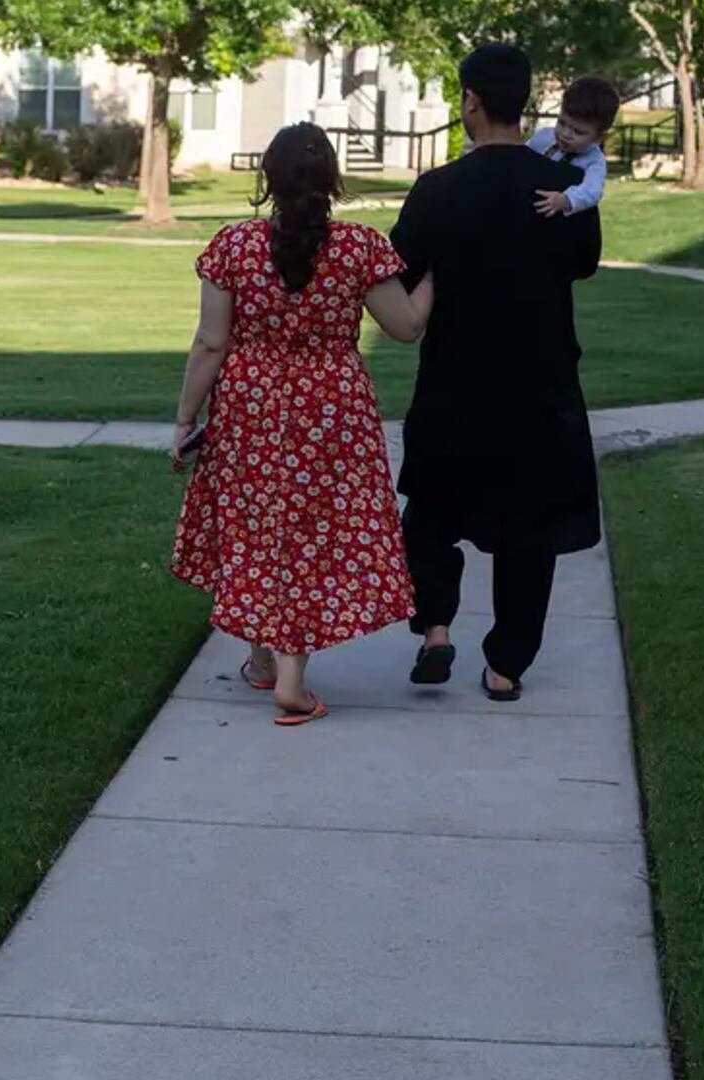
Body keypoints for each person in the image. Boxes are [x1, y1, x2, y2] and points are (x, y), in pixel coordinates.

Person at [169, 123, 436, 726]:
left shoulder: (232, 247)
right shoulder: (358, 247)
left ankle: (281, 672)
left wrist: (187, 417)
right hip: (332, 408)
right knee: (312, 531)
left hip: (251, 406)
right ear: (332, 180)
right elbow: (406, 326)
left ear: (267, 179)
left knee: (263, 525)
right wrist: (433, 279)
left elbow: (212, 343)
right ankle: (274, 669)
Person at [389, 43, 603, 702]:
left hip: (455, 386)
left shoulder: (438, 191)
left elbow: (401, 275)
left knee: (430, 515)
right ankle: (507, 664)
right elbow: (582, 265)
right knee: (528, 534)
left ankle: (436, 630)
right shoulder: (564, 193)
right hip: (539, 389)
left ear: (471, 102)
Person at [530, 75, 622, 219]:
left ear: (598, 138)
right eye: (562, 123)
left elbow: (592, 191)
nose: (565, 134)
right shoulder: (543, 137)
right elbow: (521, 158)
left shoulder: (594, 161)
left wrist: (566, 200)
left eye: (578, 132)